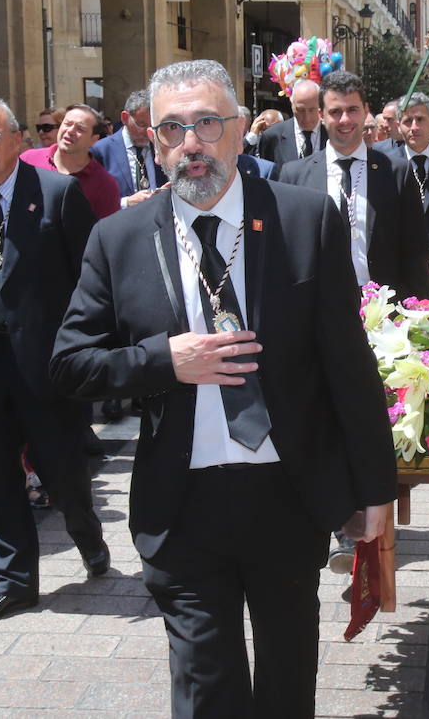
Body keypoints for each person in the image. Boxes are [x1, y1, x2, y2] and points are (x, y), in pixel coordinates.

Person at [50, 58, 396, 718]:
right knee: (207, 689)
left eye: (208, 123)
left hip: (286, 495)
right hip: (182, 503)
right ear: (153, 141)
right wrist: (162, 360)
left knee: (287, 680)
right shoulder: (117, 239)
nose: (192, 144)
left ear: (239, 130)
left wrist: (374, 490)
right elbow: (70, 365)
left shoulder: (305, 220)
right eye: (173, 128)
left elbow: (348, 367)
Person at [0, 97, 108, 626]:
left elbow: (88, 281)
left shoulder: (57, 195)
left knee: (61, 471)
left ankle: (86, 534)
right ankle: (12, 583)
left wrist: (84, 349)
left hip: (43, 361)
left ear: (16, 141)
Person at [279, 71, 429, 304]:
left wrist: (421, 314)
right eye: (335, 112)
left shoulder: (397, 173)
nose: (345, 120)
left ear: (365, 110)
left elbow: (415, 253)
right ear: (321, 115)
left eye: (352, 110)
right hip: (318, 309)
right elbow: (286, 253)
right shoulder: (295, 175)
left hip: (385, 311)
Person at [377, 92, 429, 276]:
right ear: (399, 126)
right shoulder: (386, 164)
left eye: (420, 119)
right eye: (408, 121)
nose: (414, 127)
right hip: (398, 270)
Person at [19, 103, 121, 219]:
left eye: (80, 129)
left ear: (94, 139)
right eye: (67, 124)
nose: (70, 131)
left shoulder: (104, 185)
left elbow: (106, 233)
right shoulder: (28, 160)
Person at [91, 89, 167, 207]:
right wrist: (126, 202)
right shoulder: (101, 151)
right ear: (125, 118)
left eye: (152, 126)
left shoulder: (162, 146)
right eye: (141, 124)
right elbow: (93, 200)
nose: (147, 131)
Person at [256, 79, 324, 164]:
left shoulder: (333, 134)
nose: (307, 118)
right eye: (300, 110)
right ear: (292, 105)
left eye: (312, 110)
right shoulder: (273, 137)